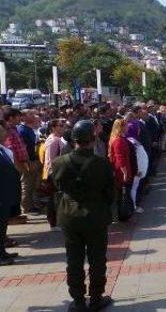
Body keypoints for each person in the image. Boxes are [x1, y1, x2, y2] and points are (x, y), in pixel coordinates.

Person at [51, 120, 114, 311]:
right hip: (95, 216)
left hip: (69, 216)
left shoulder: (59, 162)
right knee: (97, 259)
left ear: (73, 140)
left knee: (74, 259)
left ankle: (78, 300)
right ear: (93, 140)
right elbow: (110, 193)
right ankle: (96, 298)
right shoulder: (102, 164)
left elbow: (56, 187)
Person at [2, 108, 28, 224]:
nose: (20, 118)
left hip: (18, 163)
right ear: (11, 117)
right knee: (16, 189)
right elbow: (11, 149)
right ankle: (12, 215)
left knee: (16, 189)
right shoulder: (6, 129)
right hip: (14, 165)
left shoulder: (14, 129)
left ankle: (14, 214)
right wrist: (17, 165)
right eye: (18, 116)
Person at [0, 121, 20, 266]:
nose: (6, 132)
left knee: (3, 226)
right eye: (3, 130)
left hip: (6, 194)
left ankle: (2, 252)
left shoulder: (3, 149)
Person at [108, 119, 133, 221]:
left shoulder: (117, 139)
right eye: (126, 126)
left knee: (122, 194)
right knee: (123, 195)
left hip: (122, 170)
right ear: (121, 127)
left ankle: (122, 213)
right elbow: (120, 158)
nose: (127, 128)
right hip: (121, 172)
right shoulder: (118, 140)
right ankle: (123, 214)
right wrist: (125, 173)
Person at [43, 119, 66, 229]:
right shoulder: (53, 140)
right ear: (53, 128)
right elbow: (51, 160)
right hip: (54, 173)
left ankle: (56, 221)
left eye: (63, 125)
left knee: (56, 197)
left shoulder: (57, 139)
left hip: (55, 172)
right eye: (60, 125)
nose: (63, 127)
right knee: (53, 198)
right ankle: (53, 223)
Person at [18, 109, 41, 214]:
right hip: (27, 162)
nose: (33, 116)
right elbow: (23, 148)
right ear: (23, 117)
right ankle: (25, 207)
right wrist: (26, 162)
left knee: (32, 184)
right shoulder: (22, 130)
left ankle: (31, 205)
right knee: (26, 184)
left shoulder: (29, 129)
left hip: (32, 160)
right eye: (30, 114)